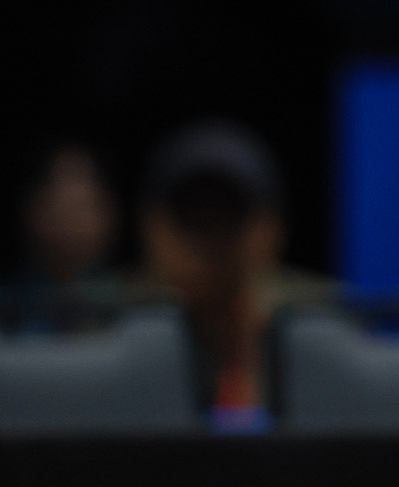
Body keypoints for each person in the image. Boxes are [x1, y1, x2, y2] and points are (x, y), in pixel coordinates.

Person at [139, 121, 325, 429]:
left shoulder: (320, 330)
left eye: (226, 217)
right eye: (191, 216)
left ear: (270, 229)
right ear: (152, 227)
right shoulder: (107, 336)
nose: (207, 244)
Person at [4, 142, 128, 333]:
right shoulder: (10, 303)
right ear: (31, 209)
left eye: (82, 207)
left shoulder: (132, 301)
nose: (70, 223)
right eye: (58, 207)